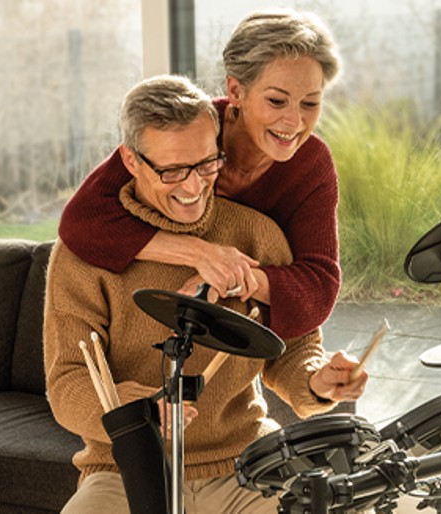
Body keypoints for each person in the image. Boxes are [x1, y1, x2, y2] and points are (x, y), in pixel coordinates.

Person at [44, 75, 367, 513]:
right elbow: (67, 383)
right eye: (172, 170)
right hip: (125, 471)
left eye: (207, 164)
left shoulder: (256, 234)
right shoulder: (84, 255)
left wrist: (317, 379)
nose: (194, 187)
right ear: (131, 161)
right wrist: (129, 411)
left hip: (246, 465)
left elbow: (293, 348)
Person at [57, 8, 343, 340]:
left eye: (310, 104)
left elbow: (319, 286)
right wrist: (201, 253)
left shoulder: (312, 165)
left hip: (236, 334)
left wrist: (236, 275)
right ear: (236, 91)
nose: (295, 123)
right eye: (277, 101)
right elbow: (82, 219)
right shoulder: (189, 127)